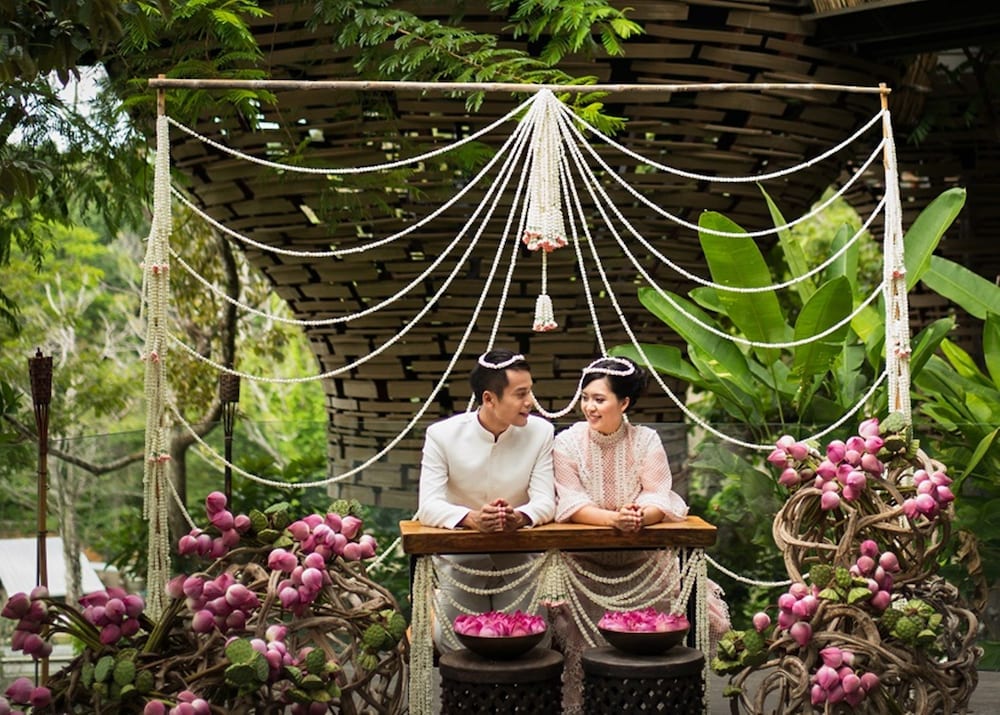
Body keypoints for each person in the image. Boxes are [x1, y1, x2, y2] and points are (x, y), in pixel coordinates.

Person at [549, 356, 730, 713]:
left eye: (599, 399)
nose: (589, 406)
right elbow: (570, 502)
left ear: (624, 403)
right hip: (583, 569)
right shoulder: (566, 443)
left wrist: (640, 517)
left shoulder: (646, 439)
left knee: (673, 631)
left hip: (645, 563)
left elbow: (658, 494)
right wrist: (614, 520)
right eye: (585, 397)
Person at [416, 349, 555, 647]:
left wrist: (519, 517)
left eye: (530, 391)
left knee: (533, 641)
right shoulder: (442, 435)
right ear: (489, 398)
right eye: (521, 394)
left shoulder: (541, 432)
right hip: (461, 563)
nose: (530, 402)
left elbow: (545, 501)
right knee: (452, 643)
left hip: (520, 561)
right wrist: (472, 519)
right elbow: (427, 505)